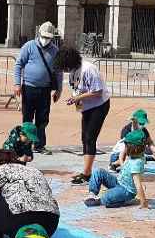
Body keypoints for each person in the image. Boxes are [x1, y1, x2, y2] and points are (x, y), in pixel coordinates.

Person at [54, 45, 111, 184]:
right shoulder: (74, 71)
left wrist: (78, 98)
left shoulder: (89, 69)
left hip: (99, 106)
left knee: (90, 138)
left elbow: (97, 91)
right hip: (87, 107)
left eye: (65, 66)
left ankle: (86, 174)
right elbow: (77, 89)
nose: (65, 70)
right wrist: (75, 99)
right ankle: (86, 170)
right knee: (84, 137)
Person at [14, 22, 63, 155]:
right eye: (44, 36)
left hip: (45, 89)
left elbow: (59, 71)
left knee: (42, 119)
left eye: (49, 37)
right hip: (29, 88)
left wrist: (59, 90)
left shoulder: (55, 50)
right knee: (27, 118)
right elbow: (18, 65)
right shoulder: (29, 46)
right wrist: (17, 84)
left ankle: (40, 145)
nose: (46, 39)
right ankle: (25, 144)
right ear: (39, 34)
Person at [85, 130, 148, 208]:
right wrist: (122, 164)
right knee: (98, 172)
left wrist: (143, 203)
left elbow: (138, 185)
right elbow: (121, 155)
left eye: (126, 146)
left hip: (126, 191)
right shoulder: (135, 154)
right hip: (118, 182)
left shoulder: (136, 163)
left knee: (106, 197)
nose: (124, 148)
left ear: (133, 148)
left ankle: (117, 201)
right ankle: (92, 193)